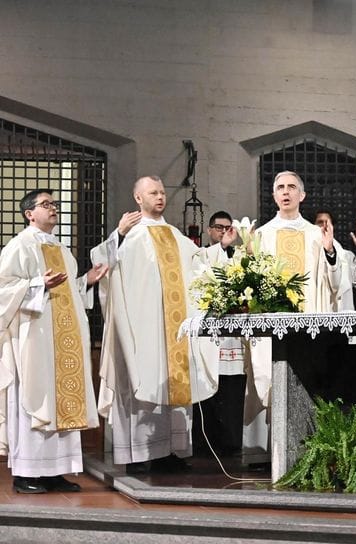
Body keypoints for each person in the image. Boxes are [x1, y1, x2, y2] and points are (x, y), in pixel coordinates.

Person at [92, 176, 218, 473]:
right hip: (142, 330)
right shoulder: (130, 235)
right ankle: (139, 454)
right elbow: (102, 265)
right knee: (142, 379)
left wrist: (220, 249)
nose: (160, 197)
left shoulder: (175, 235)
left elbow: (201, 266)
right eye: (153, 192)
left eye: (162, 192)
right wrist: (118, 235)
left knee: (173, 383)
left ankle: (169, 452)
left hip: (173, 330)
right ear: (138, 198)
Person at [0, 190, 107, 493]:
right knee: (37, 400)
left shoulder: (61, 248)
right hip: (34, 338)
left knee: (63, 399)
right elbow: (3, 288)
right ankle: (27, 474)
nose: (53, 209)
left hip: (62, 340)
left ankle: (54, 471)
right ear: (29, 214)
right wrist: (37, 285)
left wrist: (86, 280)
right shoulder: (20, 246)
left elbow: (68, 290)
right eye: (45, 205)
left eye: (54, 204)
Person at [191, 211, 255, 458]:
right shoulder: (201, 255)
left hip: (233, 338)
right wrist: (222, 246)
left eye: (229, 228)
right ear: (209, 230)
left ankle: (231, 444)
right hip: (209, 337)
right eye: (219, 227)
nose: (224, 232)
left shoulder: (239, 259)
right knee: (207, 391)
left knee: (232, 393)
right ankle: (203, 445)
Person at [256, 172, 344, 312]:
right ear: (274, 197)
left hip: (309, 316)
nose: (285, 192)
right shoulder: (262, 235)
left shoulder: (316, 234)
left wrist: (330, 252)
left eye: (291, 187)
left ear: (302, 195)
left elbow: (335, 285)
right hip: (272, 315)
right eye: (280, 188)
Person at [314, 209, 356, 311]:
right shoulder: (308, 253)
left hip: (342, 314)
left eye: (327, 223)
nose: (324, 226)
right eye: (320, 222)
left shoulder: (346, 256)